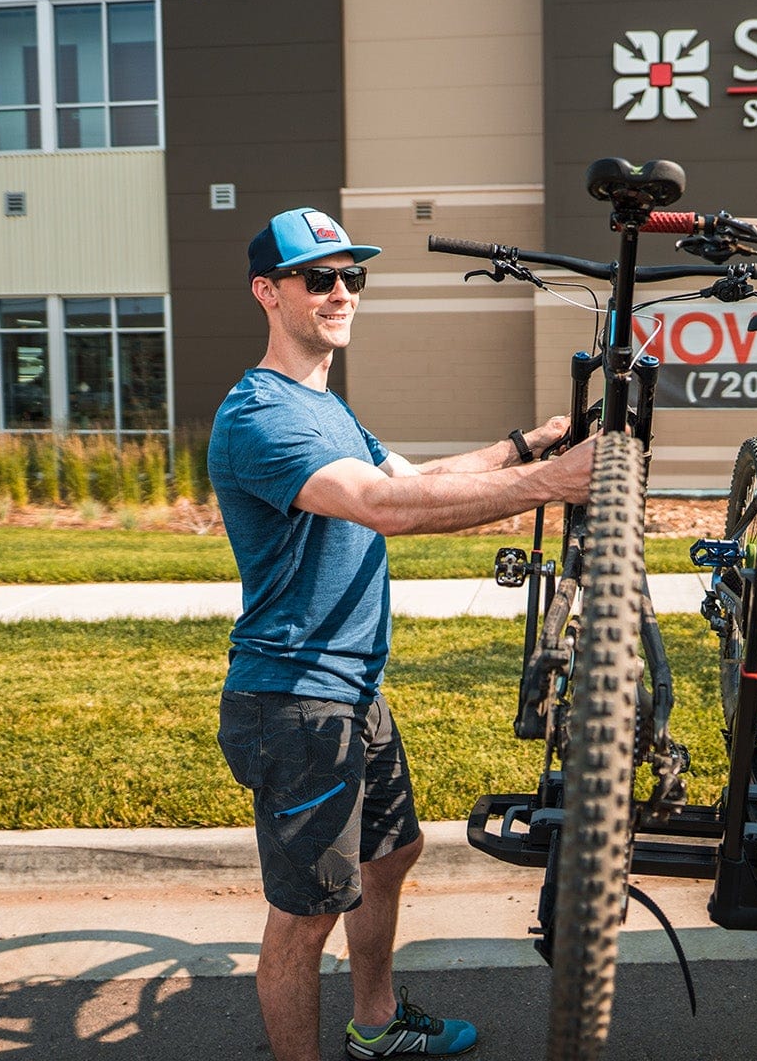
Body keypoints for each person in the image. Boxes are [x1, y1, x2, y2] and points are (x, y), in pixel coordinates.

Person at [210, 207, 595, 1060]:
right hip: (295, 699)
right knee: (306, 916)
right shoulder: (259, 415)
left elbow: (415, 479)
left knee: (394, 851)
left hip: (351, 689)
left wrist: (529, 444)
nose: (342, 293)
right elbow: (384, 509)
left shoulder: (327, 411)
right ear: (268, 293)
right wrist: (552, 483)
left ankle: (377, 1024)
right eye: (321, 278)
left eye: (353, 277)